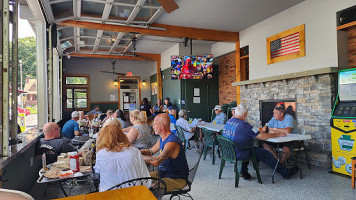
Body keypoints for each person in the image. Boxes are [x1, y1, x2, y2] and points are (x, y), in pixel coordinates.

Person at [223, 104, 299, 180]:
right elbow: (262, 136)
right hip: (240, 152)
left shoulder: (229, 121)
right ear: (244, 115)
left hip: (229, 152)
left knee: (247, 145)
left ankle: (244, 172)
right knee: (266, 154)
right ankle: (285, 172)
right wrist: (278, 134)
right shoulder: (245, 125)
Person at [94, 124, 150, 192]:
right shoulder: (134, 151)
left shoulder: (101, 154)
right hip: (135, 193)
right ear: (122, 135)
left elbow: (97, 171)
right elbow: (145, 177)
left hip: (111, 195)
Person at [141, 113, 189, 192]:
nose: (152, 127)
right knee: (138, 177)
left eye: (154, 124)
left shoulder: (171, 142)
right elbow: (150, 151)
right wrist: (136, 152)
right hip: (163, 173)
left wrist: (139, 157)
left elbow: (157, 161)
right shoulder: (163, 138)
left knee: (143, 186)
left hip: (175, 179)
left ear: (162, 126)